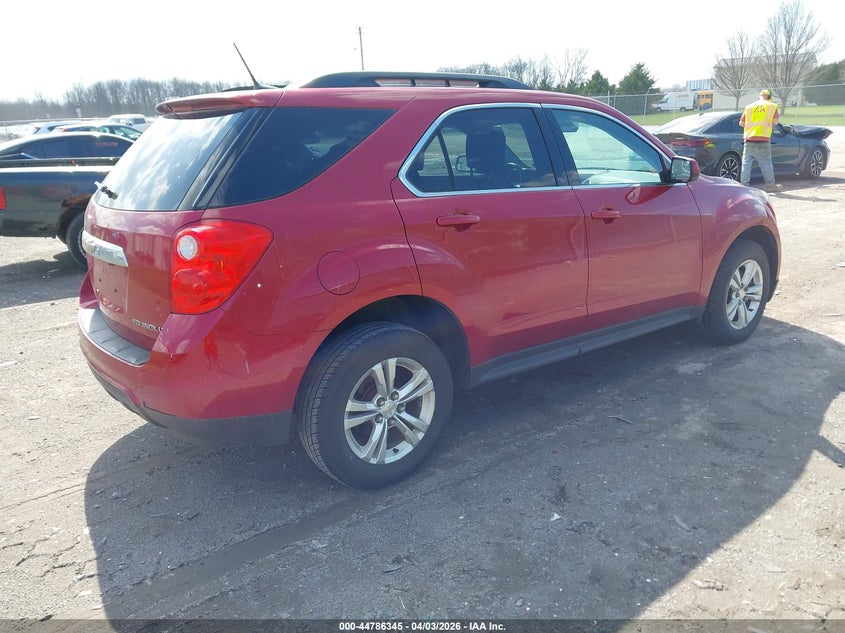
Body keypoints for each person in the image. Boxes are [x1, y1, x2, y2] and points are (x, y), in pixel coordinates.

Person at [738, 89, 782, 192]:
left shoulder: (749, 107)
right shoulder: (772, 106)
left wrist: (751, 128)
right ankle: (771, 186)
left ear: (760, 96)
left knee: (746, 163)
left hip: (749, 139)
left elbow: (741, 123)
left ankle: (744, 186)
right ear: (769, 97)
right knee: (766, 163)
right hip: (763, 139)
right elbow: (776, 122)